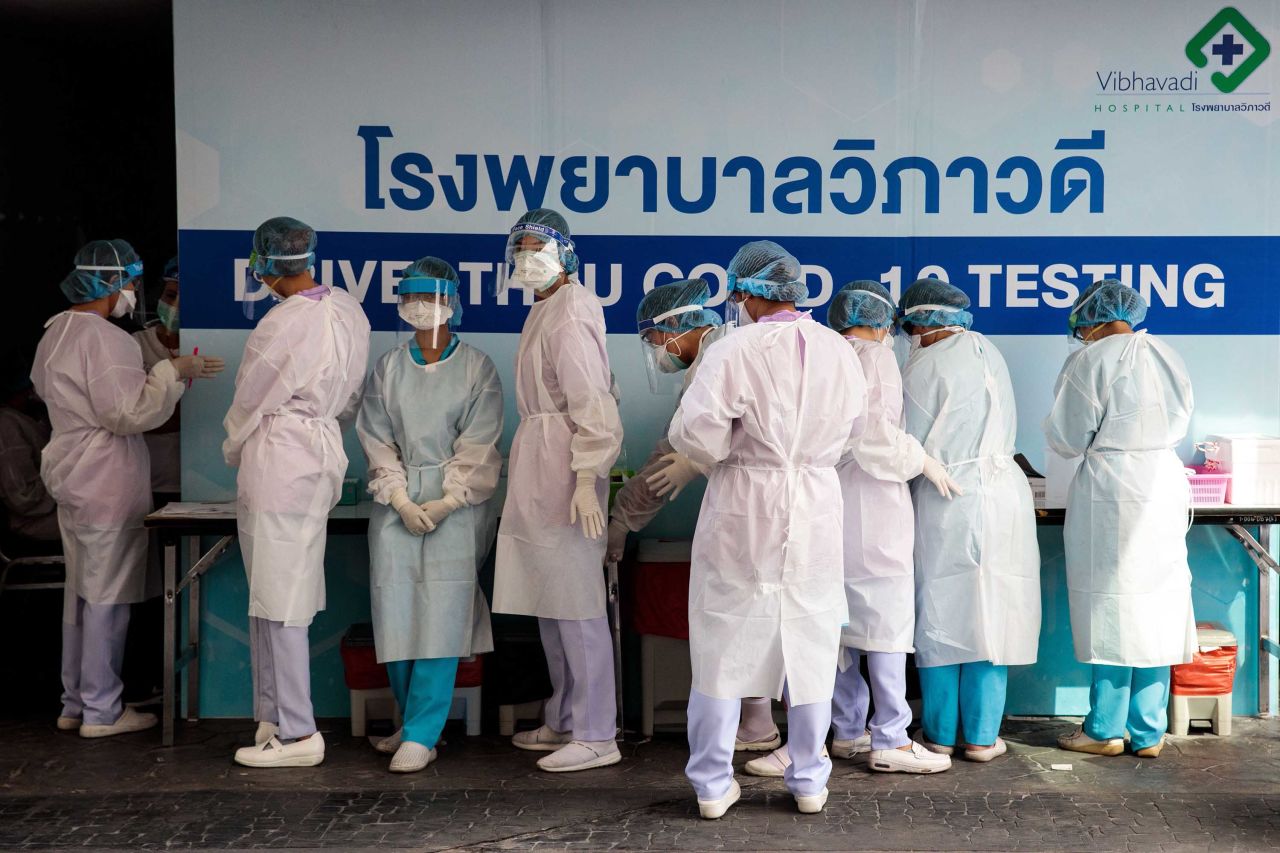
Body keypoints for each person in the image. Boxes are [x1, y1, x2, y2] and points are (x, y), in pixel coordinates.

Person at [670, 241, 867, 819]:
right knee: (810, 641)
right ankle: (808, 779)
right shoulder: (840, 351)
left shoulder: (734, 349)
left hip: (744, 502)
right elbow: (854, 435)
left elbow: (701, 439)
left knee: (721, 640)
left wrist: (736, 447)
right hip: (815, 503)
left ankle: (711, 784)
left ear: (747, 292)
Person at [746, 280, 960, 780]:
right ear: (884, 321)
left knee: (832, 621)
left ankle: (844, 730)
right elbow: (875, 435)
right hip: (875, 500)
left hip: (826, 500)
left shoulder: (822, 351)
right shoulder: (876, 358)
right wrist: (921, 459)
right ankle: (890, 736)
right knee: (884, 618)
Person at [32, 239, 223, 738]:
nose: (135, 294)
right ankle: (102, 710)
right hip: (104, 476)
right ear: (112, 283)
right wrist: (170, 372)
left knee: (81, 592)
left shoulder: (56, 331)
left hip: (71, 472)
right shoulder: (107, 339)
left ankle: (74, 701)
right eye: (133, 284)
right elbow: (127, 413)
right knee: (108, 595)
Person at [224, 217, 370, 768]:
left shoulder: (279, 324)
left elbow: (250, 399)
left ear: (264, 263)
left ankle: (298, 733)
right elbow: (350, 394)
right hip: (320, 454)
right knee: (277, 590)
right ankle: (272, 715)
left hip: (280, 456)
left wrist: (234, 445)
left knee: (280, 597)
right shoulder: (348, 310)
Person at [356, 257, 503, 773]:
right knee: (395, 611)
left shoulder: (476, 368)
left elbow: (480, 442)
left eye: (433, 297)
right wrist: (398, 496)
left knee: (442, 614)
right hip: (394, 502)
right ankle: (409, 720)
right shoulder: (388, 367)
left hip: (456, 507)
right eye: (412, 296)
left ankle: (424, 731)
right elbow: (376, 437)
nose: (422, 307)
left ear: (453, 302)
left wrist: (448, 499)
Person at [492, 208, 624, 773]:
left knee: (577, 606)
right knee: (551, 602)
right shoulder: (546, 308)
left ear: (566, 253)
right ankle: (567, 716)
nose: (527, 256)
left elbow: (592, 403)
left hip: (568, 470)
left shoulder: (570, 311)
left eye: (537, 246)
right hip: (542, 465)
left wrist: (590, 478)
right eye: (518, 247)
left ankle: (597, 732)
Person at [1045, 279, 1195, 759]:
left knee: (1110, 605)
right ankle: (1149, 732)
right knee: (1156, 605)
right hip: (1163, 484)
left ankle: (1103, 728)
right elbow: (1181, 416)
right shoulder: (1165, 354)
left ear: (1091, 317)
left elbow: (1067, 436)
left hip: (1112, 488)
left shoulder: (1089, 360)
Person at [898, 278, 1040, 763]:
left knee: (941, 609)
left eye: (912, 326)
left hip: (947, 494)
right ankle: (982, 736)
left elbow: (905, 443)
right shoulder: (989, 352)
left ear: (924, 322)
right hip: (1003, 495)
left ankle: (939, 734)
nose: (911, 335)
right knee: (991, 613)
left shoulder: (924, 366)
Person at [133, 257, 182, 500]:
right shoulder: (136, 344)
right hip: (151, 477)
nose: (175, 306)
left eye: (187, 301)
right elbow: (137, 413)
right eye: (170, 296)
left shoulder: (205, 343)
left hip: (198, 477)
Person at [0, 358, 60, 544]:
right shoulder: (7, 425)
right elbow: (22, 496)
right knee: (106, 524)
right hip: (33, 520)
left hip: (54, 505)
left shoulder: (36, 416)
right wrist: (64, 483)